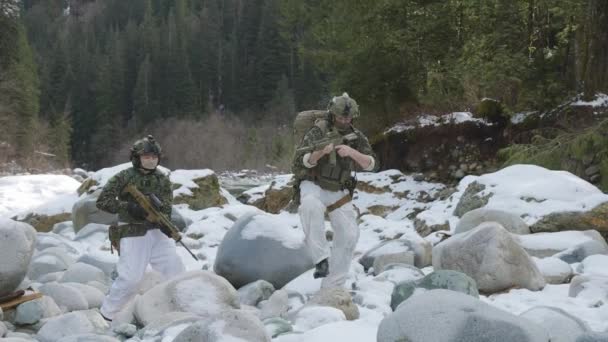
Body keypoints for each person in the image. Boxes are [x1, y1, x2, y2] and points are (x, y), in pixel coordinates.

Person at [293, 93, 378, 289]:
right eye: (341, 118)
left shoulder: (357, 137)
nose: (344, 121)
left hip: (339, 188)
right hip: (313, 183)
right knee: (310, 206)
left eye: (348, 118)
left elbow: (372, 163)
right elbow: (299, 161)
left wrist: (352, 152)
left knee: (349, 234)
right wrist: (321, 152)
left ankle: (333, 285)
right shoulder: (317, 131)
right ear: (333, 115)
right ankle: (321, 259)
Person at [97, 135, 185, 321]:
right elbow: (102, 201)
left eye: (154, 157)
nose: (151, 160)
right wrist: (128, 207)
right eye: (146, 157)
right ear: (137, 158)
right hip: (132, 231)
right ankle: (107, 315)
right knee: (130, 279)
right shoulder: (123, 177)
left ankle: (180, 311)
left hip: (157, 232)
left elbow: (166, 207)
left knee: (175, 272)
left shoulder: (162, 179)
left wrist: (166, 226)